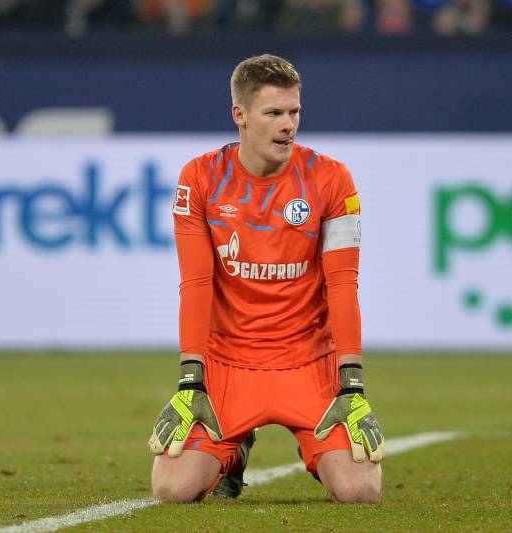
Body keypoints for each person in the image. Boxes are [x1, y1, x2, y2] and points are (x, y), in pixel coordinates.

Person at [148, 53, 385, 503]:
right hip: (228, 365)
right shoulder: (199, 178)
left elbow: (342, 283)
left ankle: (318, 448)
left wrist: (352, 381)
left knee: (360, 493)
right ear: (240, 115)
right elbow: (196, 284)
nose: (288, 125)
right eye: (274, 113)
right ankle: (232, 454)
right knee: (171, 489)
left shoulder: (332, 179)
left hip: (308, 363)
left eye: (294, 112)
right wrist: (190, 381)